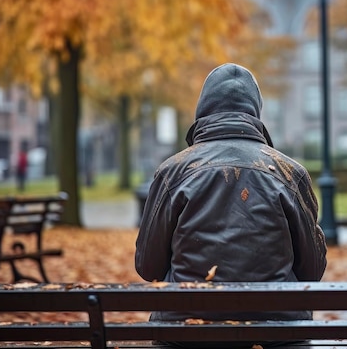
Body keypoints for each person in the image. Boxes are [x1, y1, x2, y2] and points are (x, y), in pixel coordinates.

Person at [134, 63, 327, 348]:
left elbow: (147, 266)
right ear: (255, 112)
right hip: (278, 338)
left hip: (186, 339)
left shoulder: (172, 172)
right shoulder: (289, 173)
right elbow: (312, 270)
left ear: (203, 111)